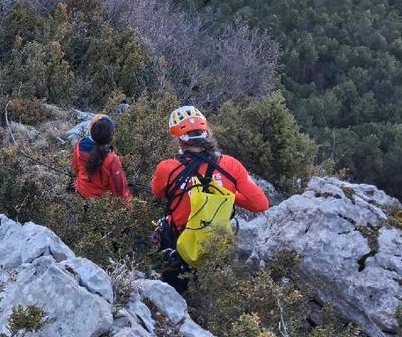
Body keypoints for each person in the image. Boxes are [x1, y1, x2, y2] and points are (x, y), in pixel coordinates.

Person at [151, 105, 269, 292]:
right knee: (209, 293)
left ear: (180, 140)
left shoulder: (167, 167)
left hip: (178, 244)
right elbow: (260, 204)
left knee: (172, 293)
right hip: (215, 243)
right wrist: (223, 193)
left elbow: (157, 193)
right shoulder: (230, 165)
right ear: (206, 135)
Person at [72, 114, 131, 200]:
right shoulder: (112, 159)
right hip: (100, 203)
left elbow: (75, 167)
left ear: (91, 130)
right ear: (110, 138)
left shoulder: (80, 144)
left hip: (81, 191)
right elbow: (119, 190)